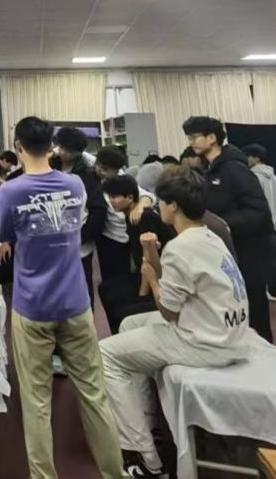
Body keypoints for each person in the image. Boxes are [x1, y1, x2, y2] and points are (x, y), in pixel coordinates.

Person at [0, 117, 126, 479]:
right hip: (76, 303)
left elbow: (7, 236)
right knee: (94, 396)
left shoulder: (11, 191)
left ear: (18, 147)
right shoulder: (75, 185)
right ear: (50, 146)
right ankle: (114, 473)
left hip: (32, 306)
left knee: (37, 403)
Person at [100, 167, 253, 478]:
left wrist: (151, 277)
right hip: (225, 330)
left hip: (205, 343)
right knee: (129, 324)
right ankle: (148, 422)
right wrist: (153, 258)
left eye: (160, 202)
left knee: (104, 354)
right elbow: (178, 288)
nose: (157, 206)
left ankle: (144, 457)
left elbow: (168, 310)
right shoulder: (209, 235)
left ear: (173, 206)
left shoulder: (180, 247)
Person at [182, 116, 274, 342]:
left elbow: (259, 212)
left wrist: (220, 224)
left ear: (212, 138)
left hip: (248, 255)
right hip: (227, 254)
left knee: (255, 318)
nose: (191, 142)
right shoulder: (210, 169)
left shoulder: (234, 168)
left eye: (194, 137)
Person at [97, 175, 174, 334]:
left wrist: (142, 295)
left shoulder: (144, 218)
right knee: (105, 289)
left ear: (130, 197)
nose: (112, 201)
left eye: (115, 197)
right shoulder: (130, 215)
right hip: (143, 273)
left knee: (122, 308)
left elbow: (149, 261)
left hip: (161, 277)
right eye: (110, 197)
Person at [53, 126, 107, 306]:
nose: (63, 153)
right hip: (53, 243)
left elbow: (98, 211)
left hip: (79, 246)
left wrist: (81, 237)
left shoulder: (88, 175)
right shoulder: (50, 166)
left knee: (81, 294)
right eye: (61, 147)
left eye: (68, 151)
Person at [95, 147, 155, 283]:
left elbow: (147, 196)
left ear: (116, 170)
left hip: (125, 237)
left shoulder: (123, 181)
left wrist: (140, 206)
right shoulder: (96, 172)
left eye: (105, 169)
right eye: (98, 165)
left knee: (126, 277)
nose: (99, 170)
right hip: (107, 237)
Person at [242, 143, 276, 302]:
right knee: (273, 255)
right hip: (274, 221)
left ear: (256, 158)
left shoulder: (254, 176)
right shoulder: (273, 177)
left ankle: (275, 291)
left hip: (261, 222)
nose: (246, 160)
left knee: (263, 258)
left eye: (248, 156)